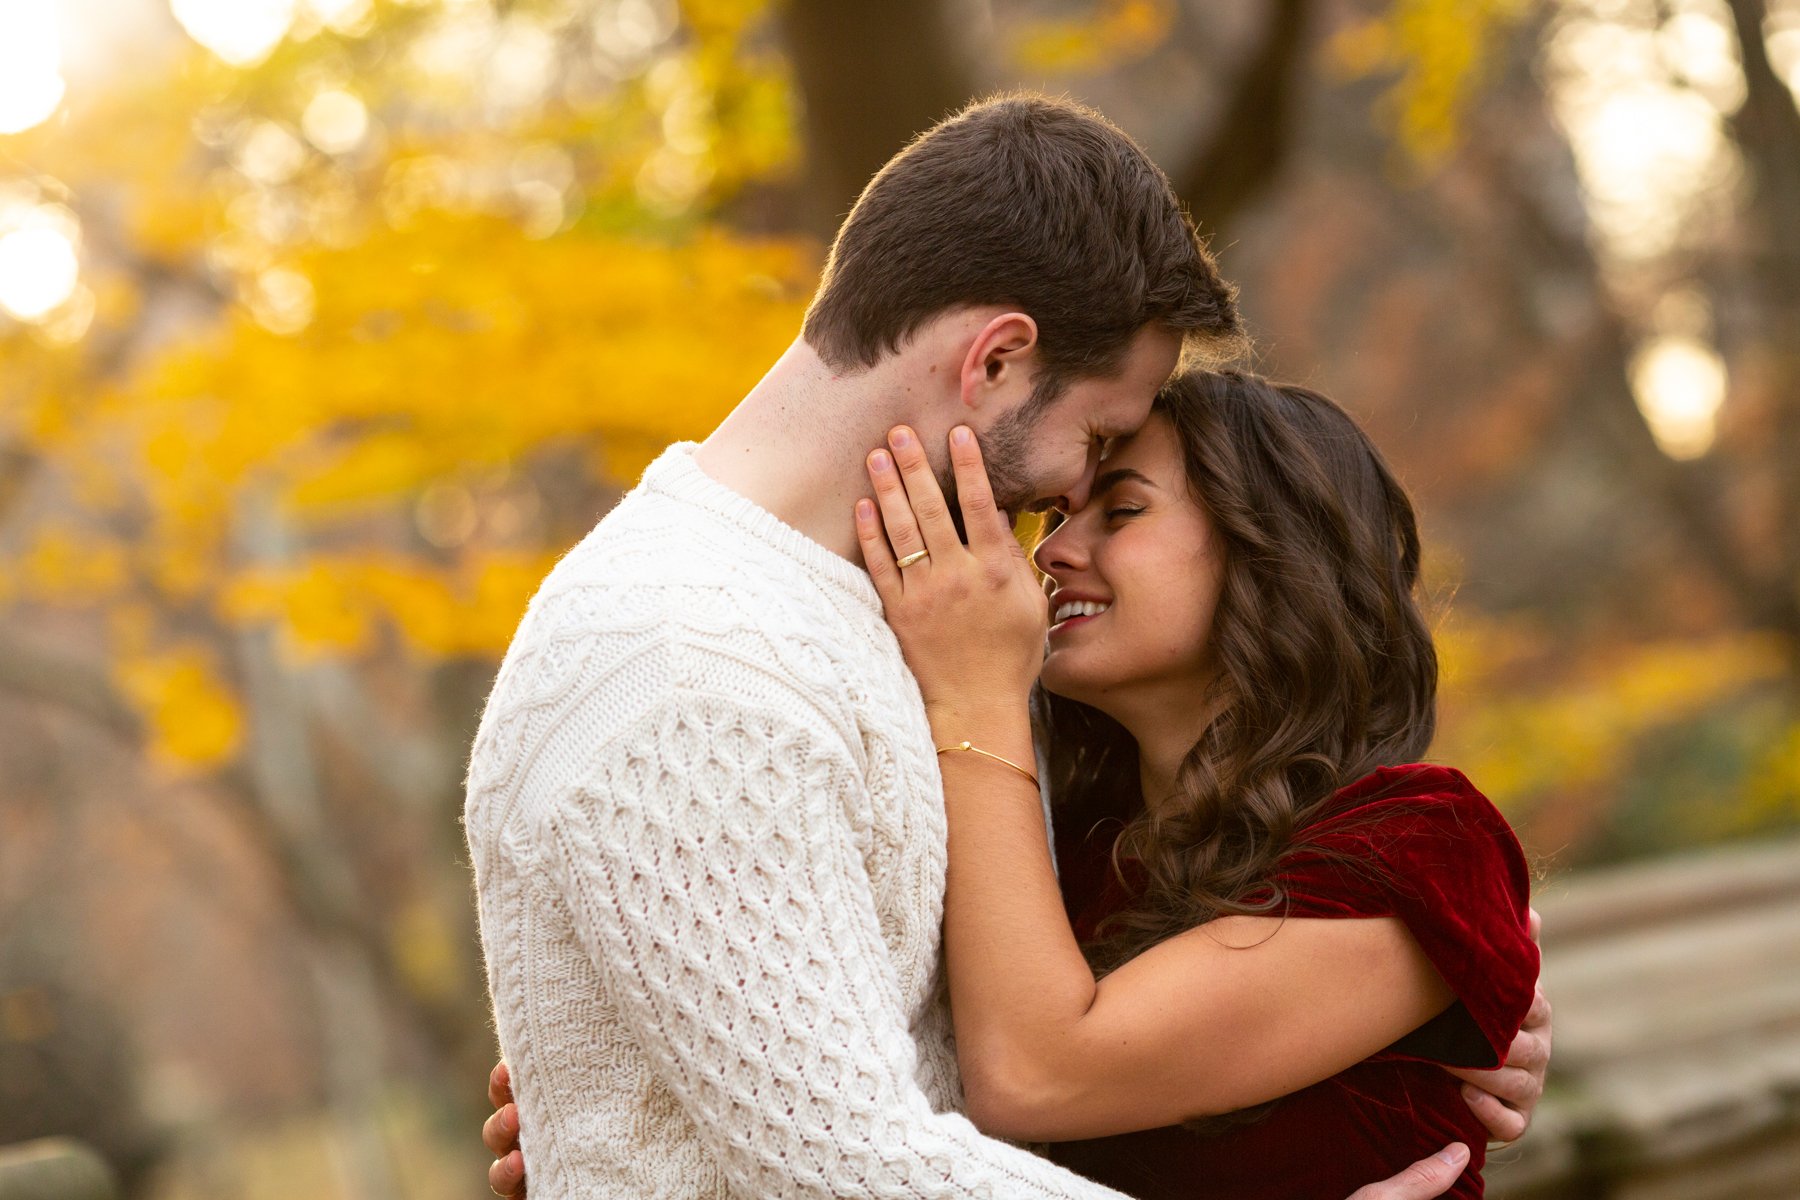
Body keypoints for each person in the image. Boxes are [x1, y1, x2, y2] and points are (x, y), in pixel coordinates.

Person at [465, 92, 1549, 1200]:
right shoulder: (689, 659)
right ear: (994, 362)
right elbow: (849, 1162)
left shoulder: (927, 637)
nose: (1066, 507)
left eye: (1118, 492)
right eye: (1096, 441)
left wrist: (1464, 972)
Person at [849, 369, 1540, 1197]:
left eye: (1124, 510)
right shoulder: (1073, 845)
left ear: (1272, 551)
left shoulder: (1423, 842)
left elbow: (1035, 1074)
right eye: (1061, 517)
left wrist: (974, 691)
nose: (1051, 552)